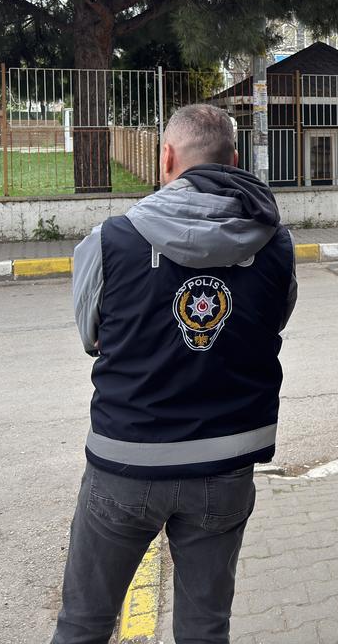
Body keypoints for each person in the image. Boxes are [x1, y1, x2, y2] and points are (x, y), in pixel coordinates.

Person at [50, 104, 298, 644]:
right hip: (224, 468)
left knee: (84, 623)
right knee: (205, 628)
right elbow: (269, 323)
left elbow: (93, 336)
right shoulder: (276, 243)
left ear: (166, 157)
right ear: (233, 160)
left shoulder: (109, 241)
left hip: (126, 464)